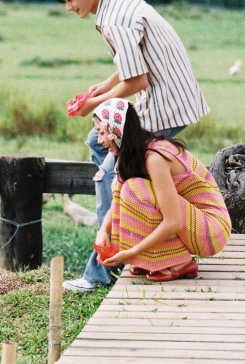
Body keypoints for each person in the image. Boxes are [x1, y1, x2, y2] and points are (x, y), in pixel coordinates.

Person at [44, 0, 210, 292]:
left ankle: (99, 272)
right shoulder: (118, 5)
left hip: (165, 106)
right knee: (97, 141)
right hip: (170, 98)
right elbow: (133, 62)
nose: (68, 7)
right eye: (64, 0)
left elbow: (137, 81)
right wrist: (104, 87)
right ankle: (136, 221)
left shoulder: (114, 21)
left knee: (108, 177)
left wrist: (92, 104)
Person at [91, 98, 230, 282]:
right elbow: (117, 197)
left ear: (116, 131)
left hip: (211, 231)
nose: (99, 141)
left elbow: (173, 221)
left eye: (101, 133)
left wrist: (130, 252)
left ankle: (180, 263)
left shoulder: (155, 158)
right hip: (192, 221)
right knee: (123, 186)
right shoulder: (135, 152)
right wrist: (102, 233)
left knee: (134, 189)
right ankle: (151, 259)